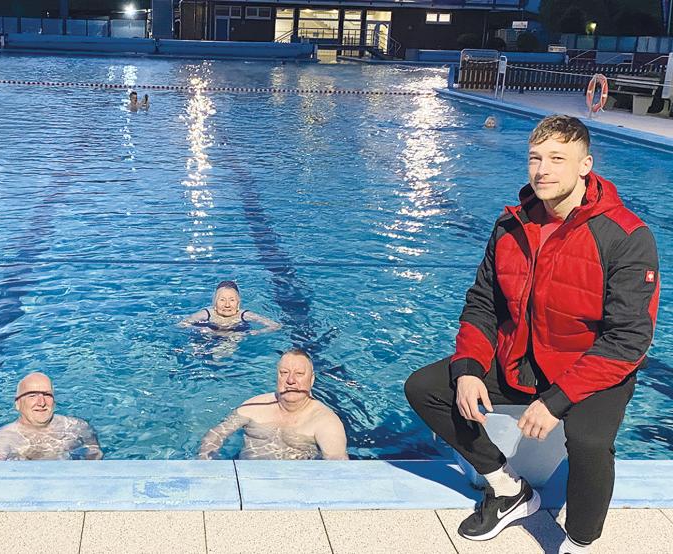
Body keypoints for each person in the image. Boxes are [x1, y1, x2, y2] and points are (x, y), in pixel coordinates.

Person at [404, 115, 658, 553]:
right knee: (425, 387)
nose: (543, 169)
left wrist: (557, 399)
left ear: (586, 165)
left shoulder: (625, 236)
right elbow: (484, 303)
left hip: (591, 368)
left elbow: (628, 340)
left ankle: (580, 541)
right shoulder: (511, 227)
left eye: (558, 159)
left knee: (590, 441)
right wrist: (467, 369)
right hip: (520, 359)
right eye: (535, 158)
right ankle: (507, 489)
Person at [197, 349, 348, 460]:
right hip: (245, 484)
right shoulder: (254, 407)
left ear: (312, 379)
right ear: (277, 376)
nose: (291, 380)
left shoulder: (325, 421)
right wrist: (205, 461)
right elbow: (216, 434)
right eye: (284, 373)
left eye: (299, 374)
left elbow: (337, 464)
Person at [0, 372, 103, 461]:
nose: (41, 403)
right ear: (17, 404)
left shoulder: (77, 427)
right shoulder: (0, 442)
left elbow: (95, 456)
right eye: (32, 396)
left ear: (54, 401)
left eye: (47, 395)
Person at [179, 280, 281, 335]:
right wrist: (199, 329)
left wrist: (258, 332)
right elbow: (181, 325)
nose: (227, 305)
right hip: (207, 336)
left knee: (222, 354)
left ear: (238, 303)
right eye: (222, 300)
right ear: (215, 303)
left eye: (232, 300)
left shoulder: (244, 315)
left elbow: (276, 326)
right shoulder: (206, 314)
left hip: (232, 337)